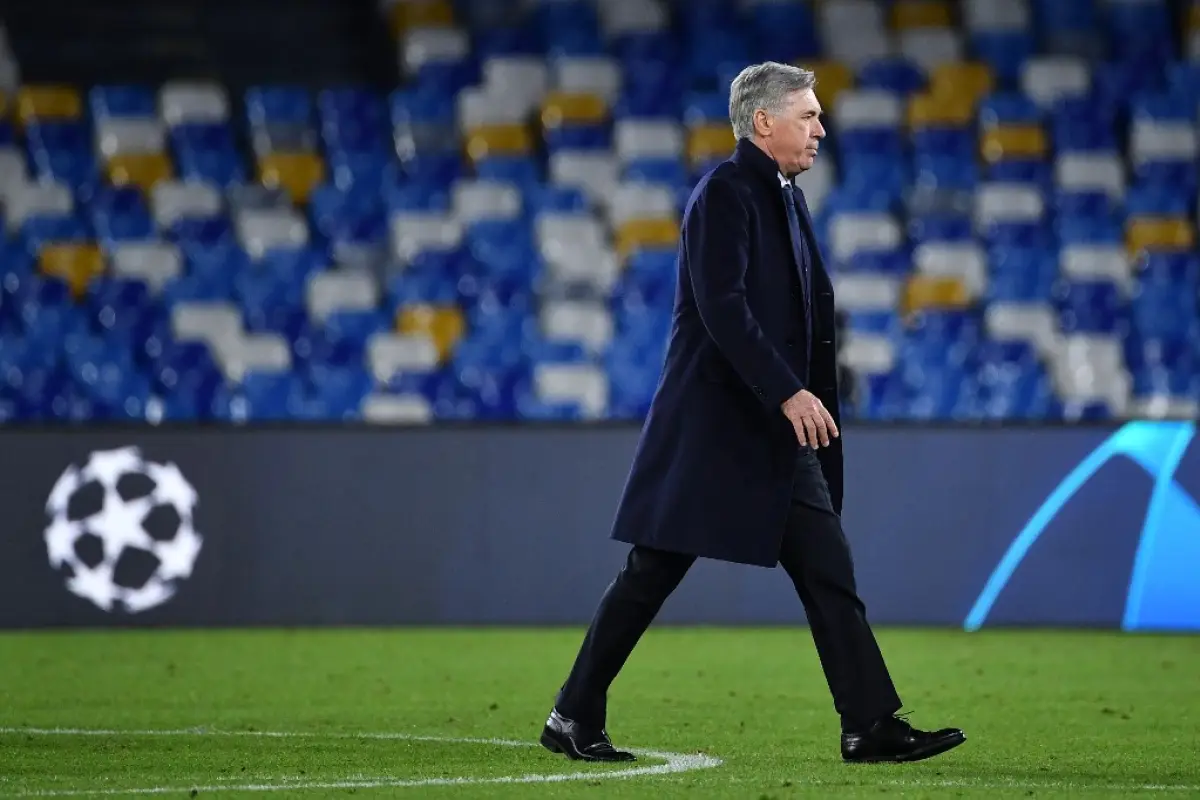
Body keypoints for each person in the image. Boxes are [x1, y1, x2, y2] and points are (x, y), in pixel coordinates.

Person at [538, 62, 966, 765]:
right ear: (764, 122)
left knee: (828, 569)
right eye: (808, 115)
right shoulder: (725, 194)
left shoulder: (785, 198)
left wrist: (814, 397)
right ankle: (572, 713)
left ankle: (870, 724)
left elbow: (805, 311)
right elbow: (722, 306)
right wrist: (787, 390)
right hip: (715, 427)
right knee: (651, 572)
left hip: (770, 432)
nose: (821, 129)